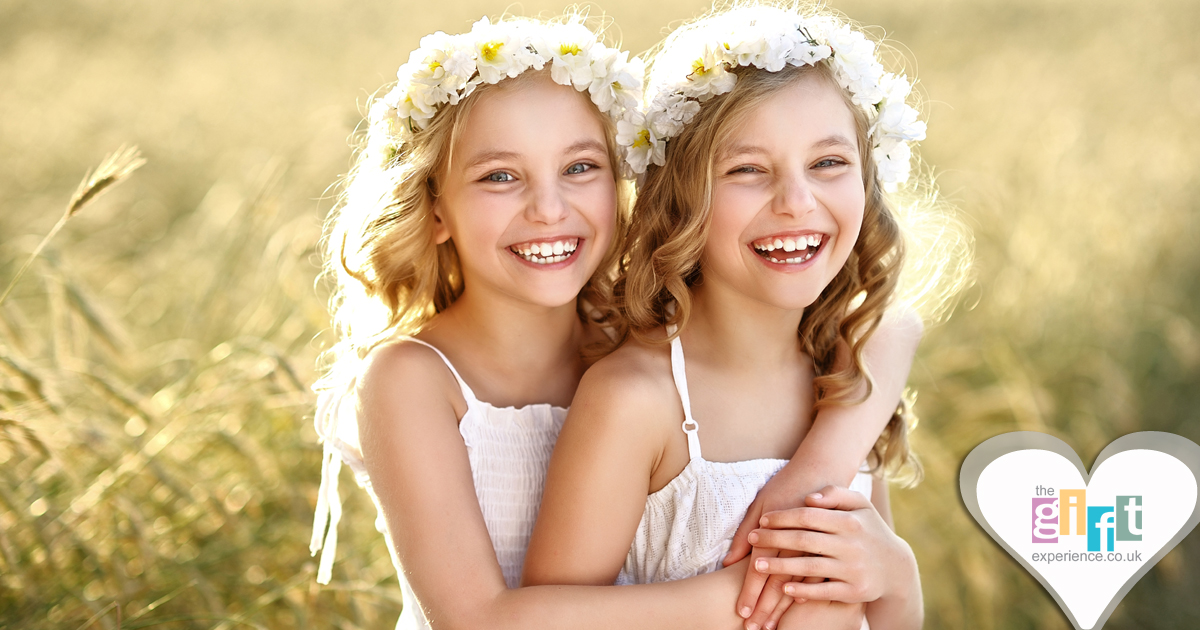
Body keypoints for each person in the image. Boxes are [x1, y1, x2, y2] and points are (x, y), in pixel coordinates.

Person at [309, 11, 938, 630]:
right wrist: (773, 586)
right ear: (433, 207)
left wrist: (840, 497)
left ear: (623, 185)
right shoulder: (415, 379)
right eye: (500, 176)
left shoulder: (630, 330)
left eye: (581, 168)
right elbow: (477, 620)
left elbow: (884, 329)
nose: (550, 209)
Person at [522, 5, 967, 630]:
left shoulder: (842, 384)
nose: (796, 202)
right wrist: (748, 597)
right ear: (682, 199)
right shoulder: (636, 401)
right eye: (748, 170)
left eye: (828, 163)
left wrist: (896, 575)